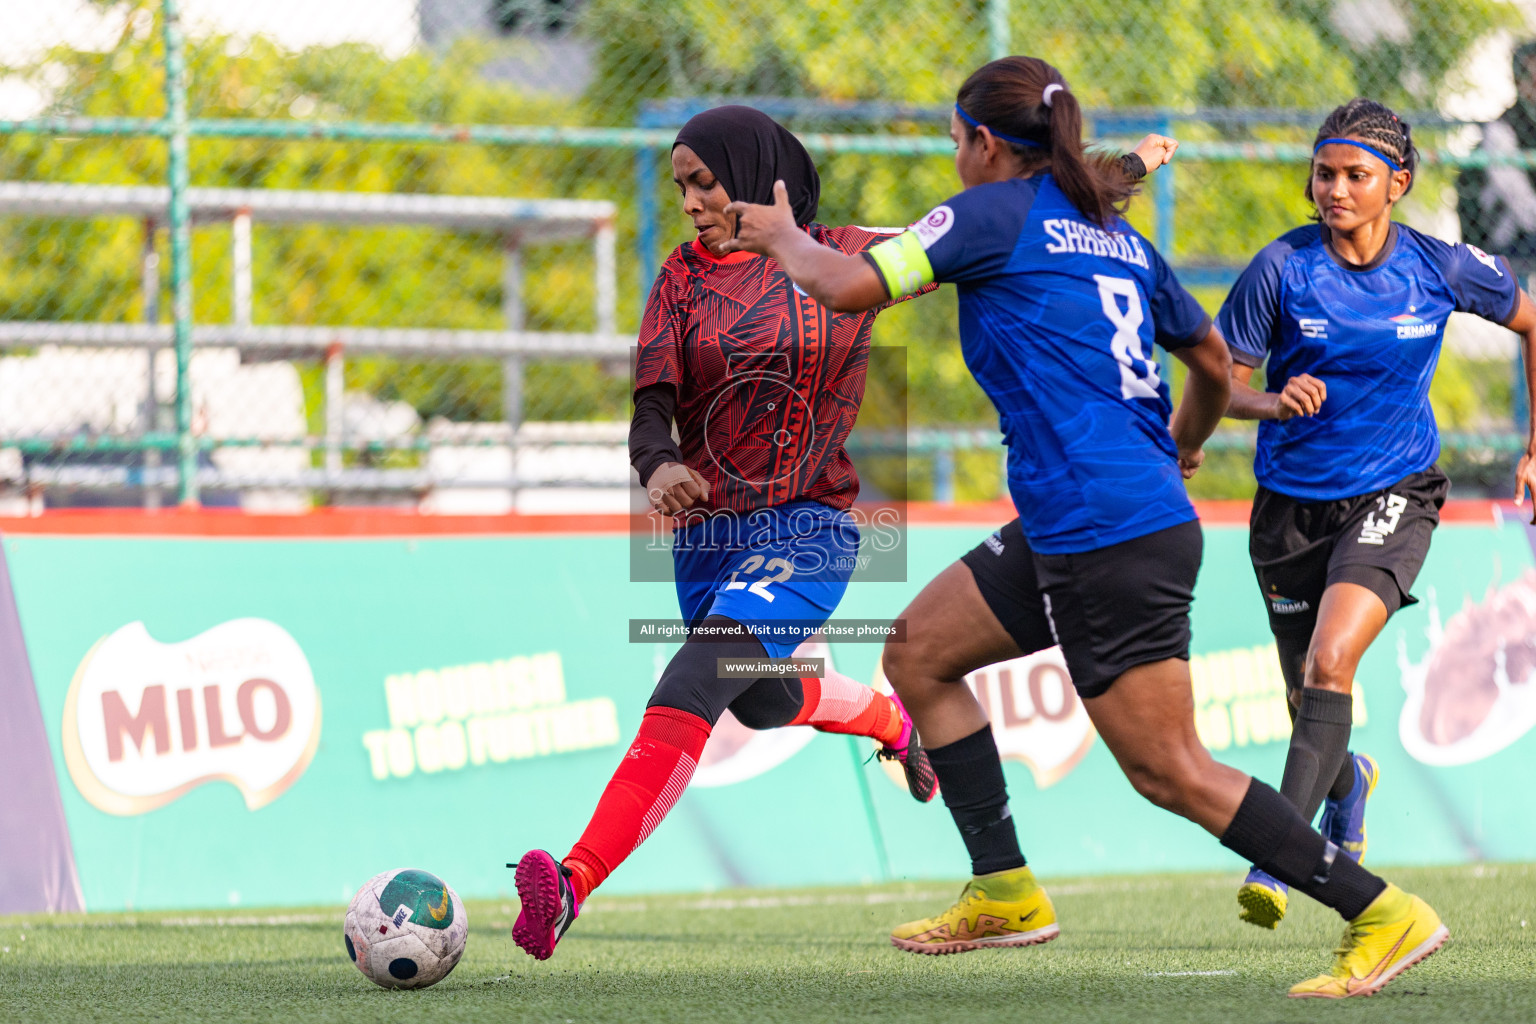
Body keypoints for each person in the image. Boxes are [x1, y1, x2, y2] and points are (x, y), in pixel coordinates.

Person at [725, 56, 1449, 1000]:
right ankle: (1006, 891)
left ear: (986, 143)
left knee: (1173, 772)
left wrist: (782, 236)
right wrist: (1180, 445)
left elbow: (848, 285)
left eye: (955, 141)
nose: (954, 156)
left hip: (1105, 529)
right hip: (1102, 514)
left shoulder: (987, 214)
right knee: (919, 651)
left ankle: (1382, 911)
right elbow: (1206, 355)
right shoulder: (1115, 234)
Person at [507, 105, 942, 963]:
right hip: (706, 538)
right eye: (680, 186)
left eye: (703, 182)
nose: (691, 201)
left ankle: (571, 882)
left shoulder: (851, 252)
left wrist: (1085, 187)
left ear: (755, 173)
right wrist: (659, 465)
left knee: (699, 676)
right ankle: (887, 717)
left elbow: (972, 237)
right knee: (763, 695)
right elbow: (651, 405)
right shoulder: (679, 278)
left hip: (813, 525)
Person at [1217, 97, 1536, 931]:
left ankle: (1276, 860)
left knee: (1331, 663)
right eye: (1324, 173)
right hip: (1288, 513)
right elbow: (1218, 387)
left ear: (1395, 183)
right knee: (1308, 704)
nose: (1335, 189)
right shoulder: (1280, 270)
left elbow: (1532, 320)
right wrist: (1269, 401)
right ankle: (1347, 784)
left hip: (1397, 492)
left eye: (1356, 175)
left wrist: (1535, 445)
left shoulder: (1438, 267)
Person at [1457, 41, 1536, 275]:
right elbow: (1521, 203)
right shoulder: (1503, 130)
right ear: (1520, 84)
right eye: (1532, 78)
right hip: (1509, 238)